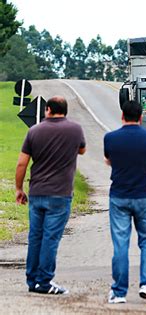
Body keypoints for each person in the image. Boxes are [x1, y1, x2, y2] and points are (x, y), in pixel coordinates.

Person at [15, 96, 86, 295]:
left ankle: (32, 280)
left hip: (37, 193)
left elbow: (22, 163)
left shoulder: (34, 131)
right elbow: (82, 149)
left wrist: (19, 189)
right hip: (60, 194)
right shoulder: (75, 129)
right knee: (51, 238)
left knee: (35, 237)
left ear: (47, 109)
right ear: (65, 110)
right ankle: (45, 282)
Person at [103, 100, 146, 304]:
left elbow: (109, 160)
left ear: (122, 116)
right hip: (144, 195)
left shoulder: (110, 138)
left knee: (120, 243)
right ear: (141, 117)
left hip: (119, 195)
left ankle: (119, 292)